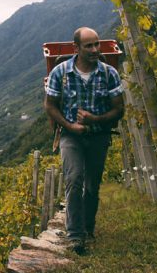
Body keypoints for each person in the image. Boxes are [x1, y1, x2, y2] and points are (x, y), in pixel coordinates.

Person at [44, 27, 124, 251]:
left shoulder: (109, 73)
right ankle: (75, 236)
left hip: (98, 135)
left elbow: (119, 110)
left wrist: (94, 119)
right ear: (76, 48)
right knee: (74, 179)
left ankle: (88, 228)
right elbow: (49, 106)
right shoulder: (60, 73)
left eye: (97, 44)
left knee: (91, 187)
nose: (95, 50)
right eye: (89, 45)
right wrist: (70, 125)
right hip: (70, 136)